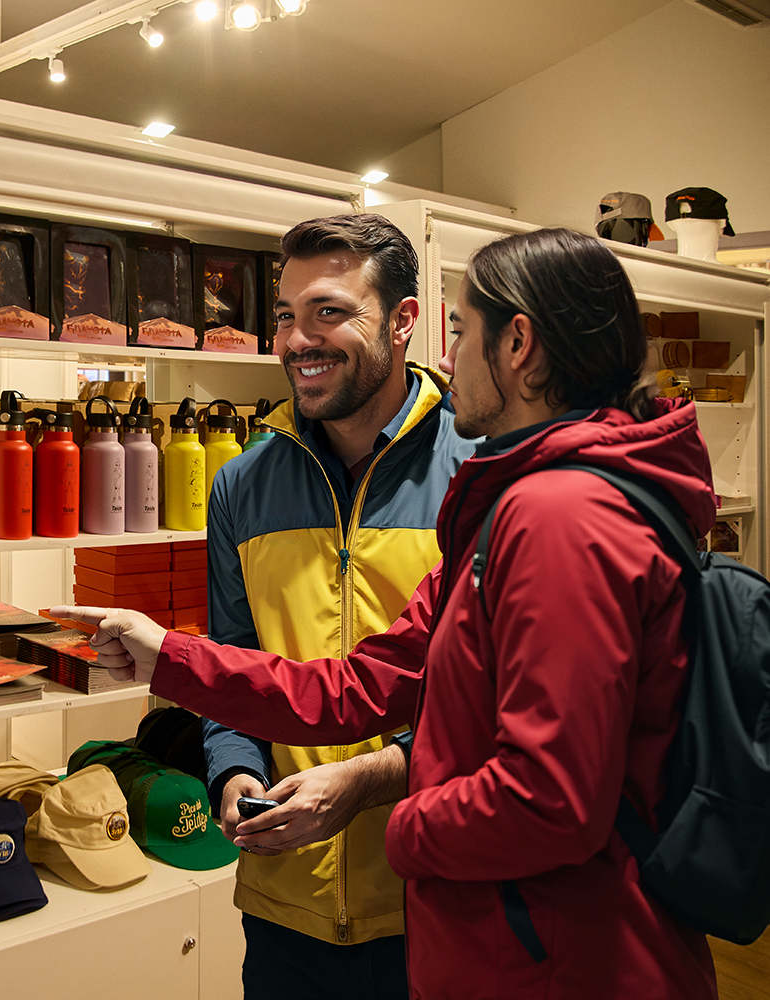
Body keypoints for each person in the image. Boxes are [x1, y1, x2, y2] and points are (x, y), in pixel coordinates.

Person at [57, 227, 718, 999]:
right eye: (284, 315)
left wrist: (391, 820)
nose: (450, 355)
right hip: (481, 932)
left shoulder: (557, 514)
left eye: (462, 331)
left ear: (519, 346)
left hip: (563, 953)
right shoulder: (509, 506)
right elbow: (364, 684)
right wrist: (168, 657)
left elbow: (550, 798)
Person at [202, 214, 474, 999]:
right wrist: (235, 777)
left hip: (438, 895)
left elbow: (497, 703)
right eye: (286, 315)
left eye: (329, 312)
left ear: (403, 321)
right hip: (285, 908)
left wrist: (369, 777)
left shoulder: (479, 469)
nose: (296, 340)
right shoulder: (242, 484)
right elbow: (237, 667)